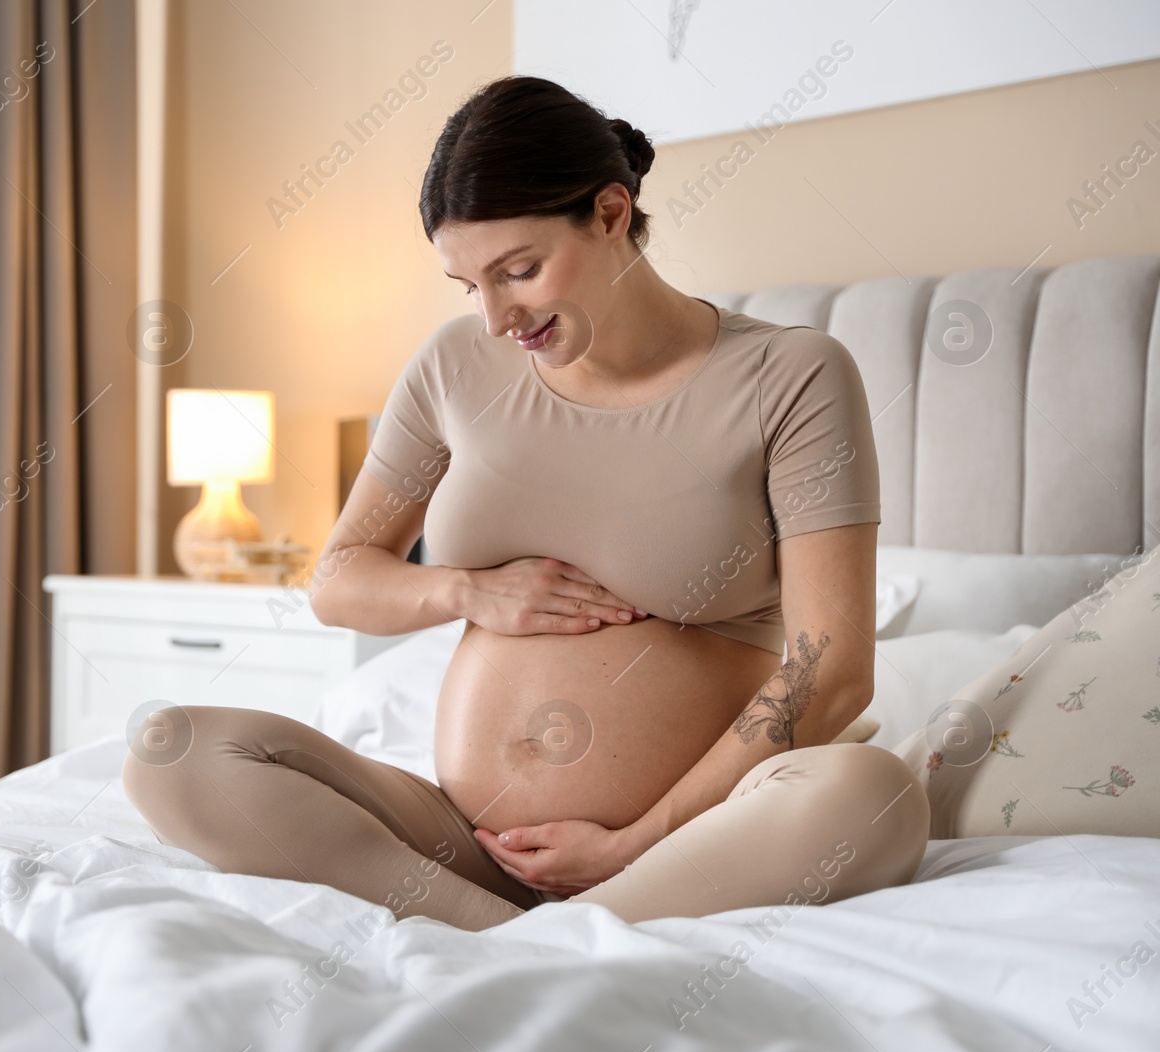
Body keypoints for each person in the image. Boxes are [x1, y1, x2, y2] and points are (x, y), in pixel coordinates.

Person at [122, 75, 928, 932]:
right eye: (468, 285)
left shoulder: (790, 376)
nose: (498, 317)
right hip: (467, 843)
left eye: (520, 271)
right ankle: (509, 938)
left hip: (692, 843)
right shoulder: (455, 366)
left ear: (612, 213)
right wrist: (469, 590)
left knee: (870, 794)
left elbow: (830, 671)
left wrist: (638, 842)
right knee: (167, 752)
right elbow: (338, 579)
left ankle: (552, 932)